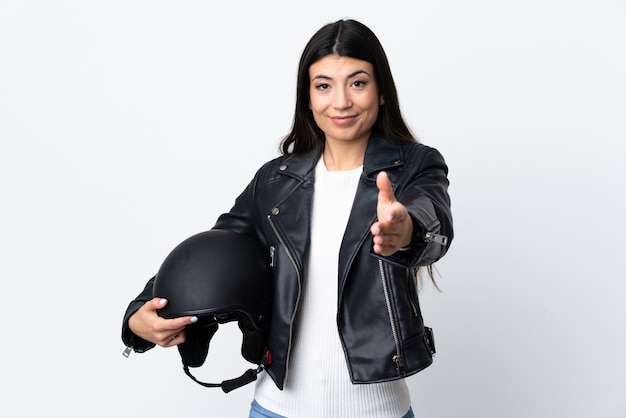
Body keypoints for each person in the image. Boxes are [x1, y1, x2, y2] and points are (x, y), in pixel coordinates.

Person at [121, 18, 453, 418]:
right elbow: (217, 249)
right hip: (275, 409)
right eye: (324, 86)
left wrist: (405, 231)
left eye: (358, 82)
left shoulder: (415, 166)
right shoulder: (276, 182)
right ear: (308, 99)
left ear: (381, 92)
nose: (341, 101)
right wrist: (139, 318)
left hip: (378, 411)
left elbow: (433, 221)